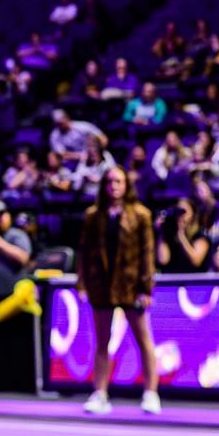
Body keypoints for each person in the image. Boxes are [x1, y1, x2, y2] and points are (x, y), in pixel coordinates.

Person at [77, 167, 159, 415]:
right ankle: (100, 393)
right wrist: (82, 283)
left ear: (126, 185)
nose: (114, 185)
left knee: (144, 341)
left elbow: (147, 253)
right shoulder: (93, 216)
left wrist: (146, 288)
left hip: (131, 286)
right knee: (101, 342)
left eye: (119, 181)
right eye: (110, 181)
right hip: (102, 286)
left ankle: (151, 393)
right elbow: (83, 251)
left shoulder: (141, 215)